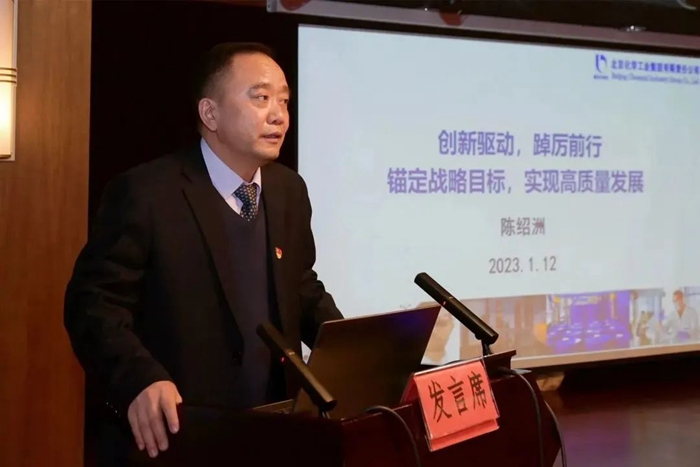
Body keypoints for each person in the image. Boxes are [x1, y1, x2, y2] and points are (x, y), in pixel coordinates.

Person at [63, 42, 343, 464]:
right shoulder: (147, 193)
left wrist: (356, 350)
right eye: (261, 98)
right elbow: (92, 304)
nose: (279, 115)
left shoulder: (289, 190)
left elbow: (300, 288)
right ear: (210, 114)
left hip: (274, 431)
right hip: (178, 436)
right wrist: (139, 379)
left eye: (284, 101)